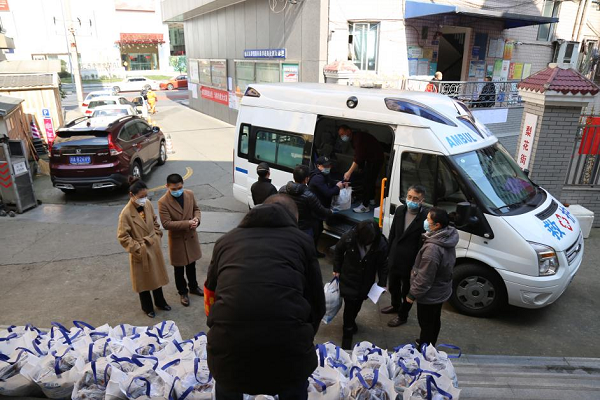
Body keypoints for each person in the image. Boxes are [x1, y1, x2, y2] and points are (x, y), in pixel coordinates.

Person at [205, 194, 326, 399]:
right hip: (289, 349)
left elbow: (210, 294)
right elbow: (317, 303)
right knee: (293, 383)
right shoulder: (302, 242)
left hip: (228, 350)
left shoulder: (225, 241)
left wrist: (221, 327)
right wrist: (304, 333)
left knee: (228, 381)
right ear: (293, 219)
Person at [117, 179, 171, 318]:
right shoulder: (126, 213)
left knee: (156, 276)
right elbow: (123, 236)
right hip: (140, 249)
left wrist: (157, 233)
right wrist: (137, 248)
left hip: (153, 245)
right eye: (141, 197)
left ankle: (160, 302)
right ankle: (147, 307)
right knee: (143, 281)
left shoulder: (147, 204)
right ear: (132, 195)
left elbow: (153, 219)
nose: (144, 199)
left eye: (146, 196)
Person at [407, 207, 458, 347]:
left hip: (430, 293)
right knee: (435, 319)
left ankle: (424, 348)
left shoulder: (432, 249)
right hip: (441, 289)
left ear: (437, 225)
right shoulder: (447, 236)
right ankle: (430, 344)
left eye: (428, 219)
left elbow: (425, 277)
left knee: (427, 322)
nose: (425, 221)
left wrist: (412, 294)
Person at [333, 220, 388, 350]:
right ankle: (347, 333)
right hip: (349, 277)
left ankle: (351, 322)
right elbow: (338, 250)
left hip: (365, 281)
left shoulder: (381, 244)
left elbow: (383, 264)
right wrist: (337, 269)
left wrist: (382, 282)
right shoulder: (349, 237)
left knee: (357, 304)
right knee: (349, 305)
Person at [382, 185, 429, 327]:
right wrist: (388, 253)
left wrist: (417, 266)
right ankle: (395, 306)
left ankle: (402, 315)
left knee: (407, 291)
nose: (411, 200)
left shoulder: (425, 218)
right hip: (395, 256)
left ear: (422, 200)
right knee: (393, 286)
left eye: (415, 198)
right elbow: (393, 234)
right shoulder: (400, 210)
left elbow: (423, 244)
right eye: (409, 197)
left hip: (411, 261)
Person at [158, 173, 203, 307]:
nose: (177, 191)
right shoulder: (163, 202)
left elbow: (196, 209)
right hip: (177, 239)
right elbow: (166, 224)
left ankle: (194, 287)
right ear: (167, 187)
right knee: (179, 269)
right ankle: (183, 292)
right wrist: (188, 223)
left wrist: (197, 220)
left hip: (190, 237)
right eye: (174, 189)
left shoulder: (189, 194)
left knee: (191, 265)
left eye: (179, 187)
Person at [338, 125, 384, 213]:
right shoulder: (354, 139)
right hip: (373, 158)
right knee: (370, 179)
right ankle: (371, 199)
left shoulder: (358, 138)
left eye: (342, 134)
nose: (341, 137)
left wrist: (349, 172)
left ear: (348, 131)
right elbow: (361, 155)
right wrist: (361, 168)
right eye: (340, 135)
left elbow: (358, 157)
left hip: (375, 159)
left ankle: (365, 206)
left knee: (367, 181)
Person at [279, 164, 332, 237]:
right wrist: (331, 211)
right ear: (306, 179)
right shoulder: (309, 196)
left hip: (288, 224)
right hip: (304, 229)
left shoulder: (282, 190)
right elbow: (321, 211)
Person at [308, 156, 345, 257]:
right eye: (325, 166)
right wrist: (338, 187)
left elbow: (331, 182)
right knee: (315, 232)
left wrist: (340, 183)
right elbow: (328, 193)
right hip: (315, 210)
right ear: (318, 166)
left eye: (329, 165)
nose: (328, 167)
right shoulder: (317, 178)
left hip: (319, 208)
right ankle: (311, 253)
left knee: (318, 229)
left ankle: (313, 251)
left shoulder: (324, 174)